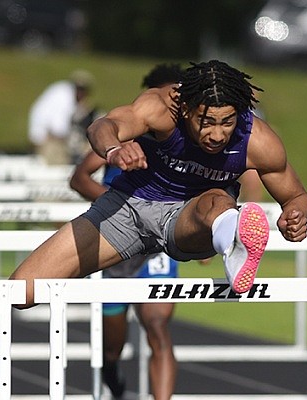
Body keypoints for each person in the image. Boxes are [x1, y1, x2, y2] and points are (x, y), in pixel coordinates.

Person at [10, 58, 307, 313]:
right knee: (21, 292)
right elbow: (103, 126)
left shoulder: (258, 140)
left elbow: (296, 196)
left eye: (227, 122)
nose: (218, 135)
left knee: (219, 200)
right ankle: (230, 234)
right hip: (128, 208)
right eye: (206, 122)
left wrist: (296, 215)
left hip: (187, 218)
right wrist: (114, 149)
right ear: (185, 109)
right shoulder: (160, 107)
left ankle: (233, 240)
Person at [69, 63, 184, 400]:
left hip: (156, 248)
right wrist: (123, 204)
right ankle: (110, 366)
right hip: (119, 241)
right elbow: (79, 178)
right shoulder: (126, 132)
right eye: (164, 99)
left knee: (158, 328)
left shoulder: (184, 142)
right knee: (114, 341)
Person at [28, 69, 98, 165]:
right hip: (48, 139)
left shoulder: (63, 91)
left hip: (46, 136)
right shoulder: (65, 96)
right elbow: (58, 127)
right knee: (57, 166)